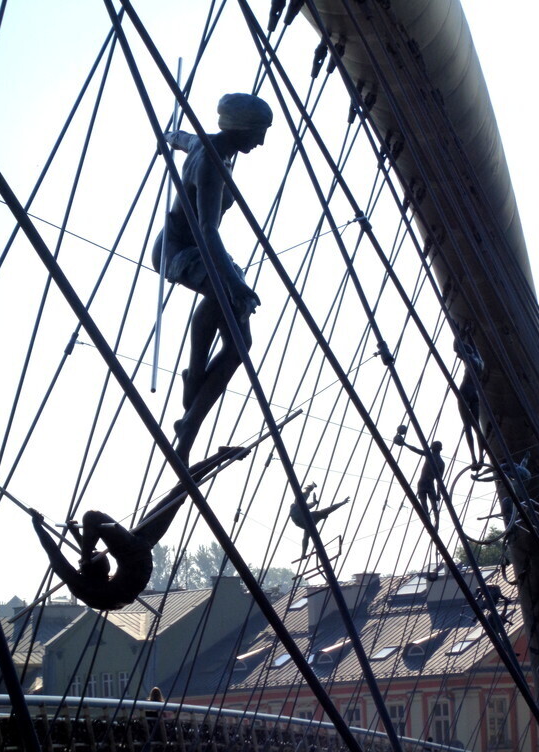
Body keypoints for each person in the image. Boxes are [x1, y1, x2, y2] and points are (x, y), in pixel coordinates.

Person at [152, 93, 273, 464]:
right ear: (241, 128)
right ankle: (188, 422)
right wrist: (235, 284)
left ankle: (192, 397)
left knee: (240, 338)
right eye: (258, 132)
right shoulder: (211, 164)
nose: (261, 141)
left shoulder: (209, 147)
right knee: (234, 318)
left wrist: (167, 135)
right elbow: (207, 230)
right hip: (181, 251)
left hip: (201, 249)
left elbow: (183, 138)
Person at [30, 446, 247, 611]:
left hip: (141, 552)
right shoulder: (83, 583)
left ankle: (221, 455)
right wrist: (39, 528)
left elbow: (68, 560)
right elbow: (55, 555)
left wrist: (75, 535)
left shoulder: (89, 584)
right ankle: (221, 456)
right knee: (92, 517)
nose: (99, 553)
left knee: (180, 492)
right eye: (94, 556)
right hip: (134, 555)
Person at [394, 427, 444, 530]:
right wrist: (439, 493)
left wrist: (405, 444)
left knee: (424, 505)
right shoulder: (441, 463)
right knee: (434, 506)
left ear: (432, 448)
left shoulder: (429, 455)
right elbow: (439, 481)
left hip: (422, 483)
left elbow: (416, 450)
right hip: (430, 484)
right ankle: (436, 523)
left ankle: (429, 523)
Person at [289, 482, 350, 558]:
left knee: (302, 500)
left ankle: (311, 487)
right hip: (298, 518)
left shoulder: (311, 522)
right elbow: (332, 508)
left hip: (298, 519)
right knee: (302, 500)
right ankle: (311, 487)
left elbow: (305, 539)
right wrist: (343, 503)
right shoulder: (315, 518)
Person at [454, 331, 485, 468]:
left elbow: (456, 348)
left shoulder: (467, 358)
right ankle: (481, 458)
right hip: (475, 394)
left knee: (467, 426)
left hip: (465, 392)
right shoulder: (480, 361)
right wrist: (470, 334)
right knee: (477, 427)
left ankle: (473, 458)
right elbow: (475, 348)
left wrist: (458, 335)